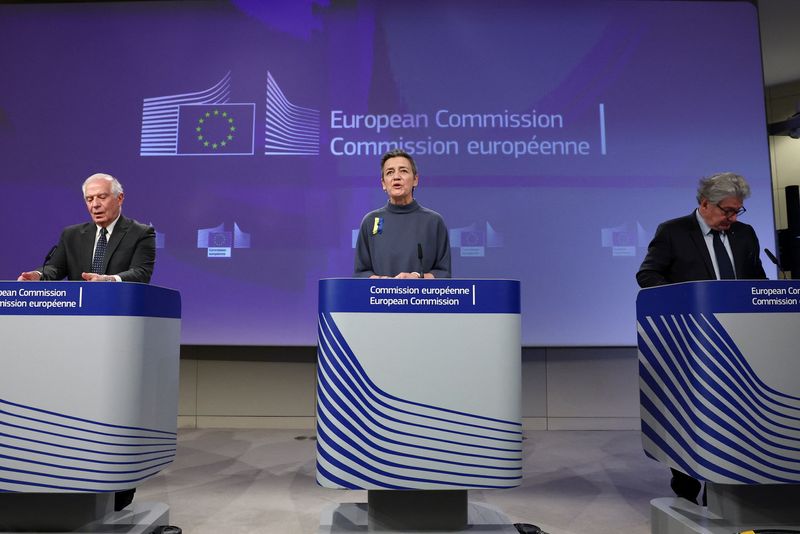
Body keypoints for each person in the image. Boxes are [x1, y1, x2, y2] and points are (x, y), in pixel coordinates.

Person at [636, 172, 767, 504]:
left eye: (738, 211)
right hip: (691, 345)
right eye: (727, 211)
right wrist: (685, 302)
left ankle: (727, 492)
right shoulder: (673, 231)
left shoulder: (745, 234)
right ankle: (685, 496)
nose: (733, 218)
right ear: (705, 204)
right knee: (692, 420)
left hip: (743, 345)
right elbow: (647, 274)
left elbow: (757, 282)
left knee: (737, 420)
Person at [17, 173, 155, 283]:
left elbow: (140, 273)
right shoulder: (71, 234)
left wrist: (108, 279)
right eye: (89, 199)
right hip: (80, 312)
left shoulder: (141, 233)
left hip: (118, 309)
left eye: (102, 197)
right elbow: (55, 268)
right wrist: (39, 275)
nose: (95, 205)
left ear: (119, 198)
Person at [354, 149, 451, 278]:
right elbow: (361, 272)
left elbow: (444, 273)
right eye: (390, 172)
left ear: (415, 180)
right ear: (383, 183)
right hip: (381, 297)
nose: (396, 177)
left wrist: (417, 278)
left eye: (403, 171)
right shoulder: (371, 221)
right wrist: (381, 281)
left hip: (422, 297)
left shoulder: (433, 221)